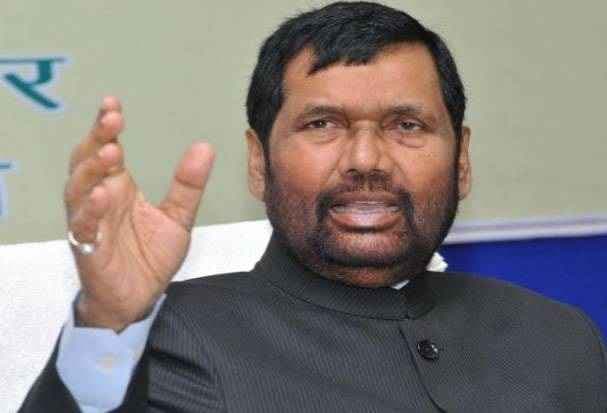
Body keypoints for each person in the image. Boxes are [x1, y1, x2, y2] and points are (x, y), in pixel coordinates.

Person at [20, 2, 606, 412]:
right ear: (259, 162)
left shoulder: (558, 338)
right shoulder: (177, 337)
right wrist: (108, 323)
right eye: (323, 124)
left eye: (407, 125)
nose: (366, 159)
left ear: (462, 160)